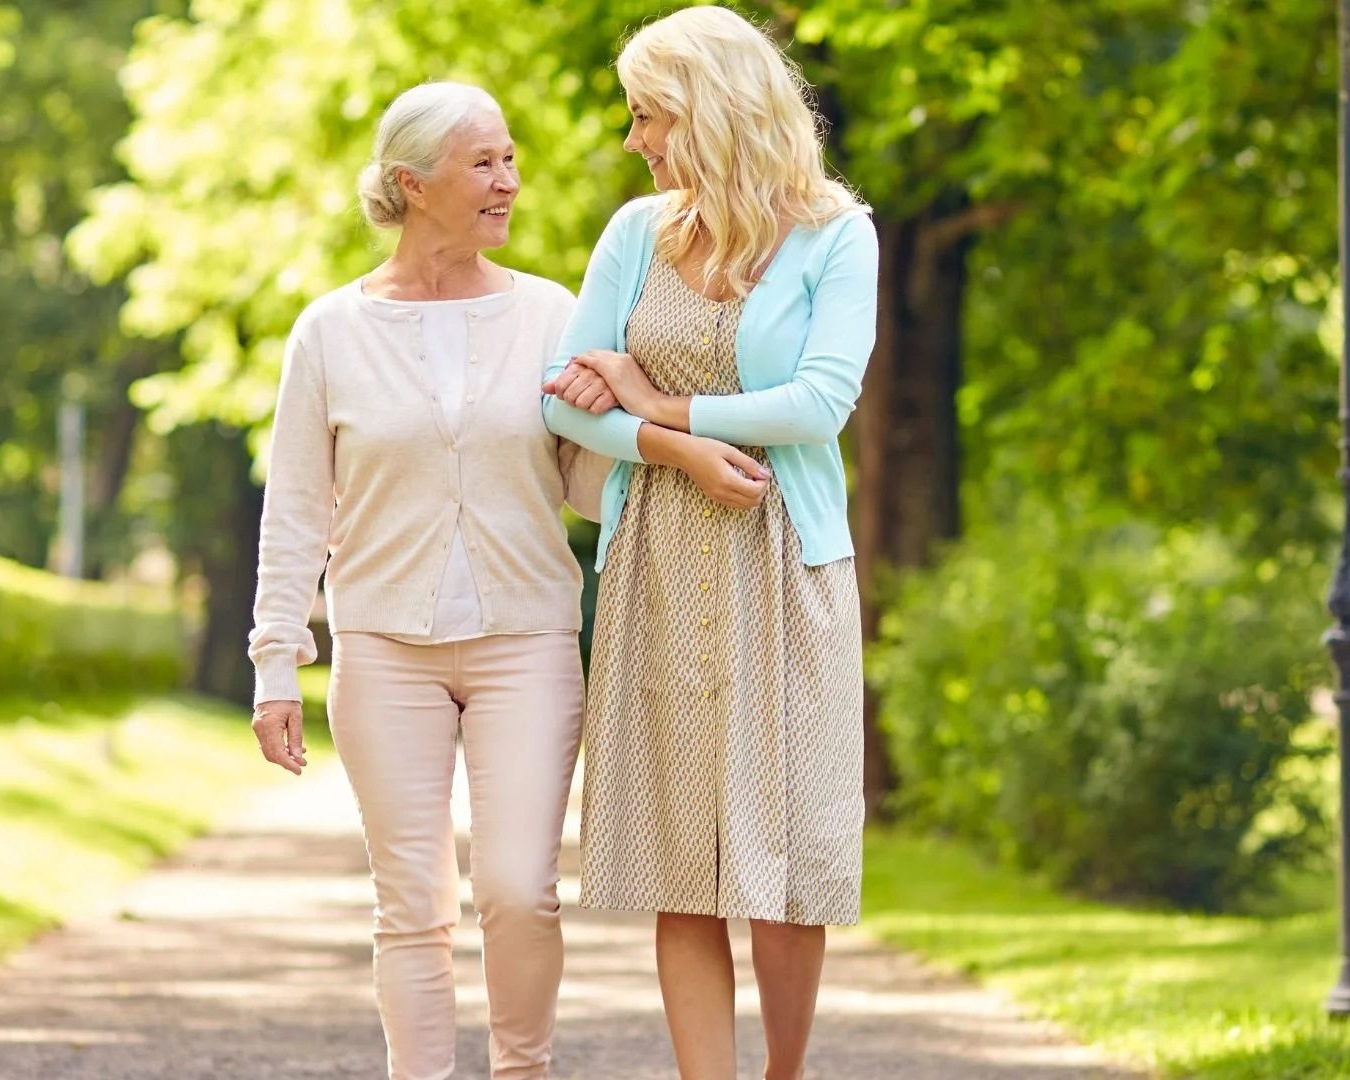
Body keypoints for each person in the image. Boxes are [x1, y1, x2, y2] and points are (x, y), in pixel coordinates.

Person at [541, 7, 879, 1079]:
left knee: (786, 857)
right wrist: (665, 446)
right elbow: (564, 398)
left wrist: (660, 406)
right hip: (658, 566)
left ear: (717, 111)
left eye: (651, 114)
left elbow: (819, 404)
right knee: (683, 861)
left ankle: (785, 1072)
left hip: (791, 568)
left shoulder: (839, 234)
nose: (635, 138)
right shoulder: (637, 234)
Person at [247, 81, 603, 1080]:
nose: (508, 182)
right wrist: (278, 660)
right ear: (412, 183)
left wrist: (608, 409)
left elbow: (586, 489)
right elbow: (298, 512)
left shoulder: (550, 313)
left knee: (519, 889)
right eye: (483, 163)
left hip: (526, 638)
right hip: (385, 650)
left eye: (509, 157)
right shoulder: (329, 331)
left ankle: (522, 1070)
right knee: (411, 904)